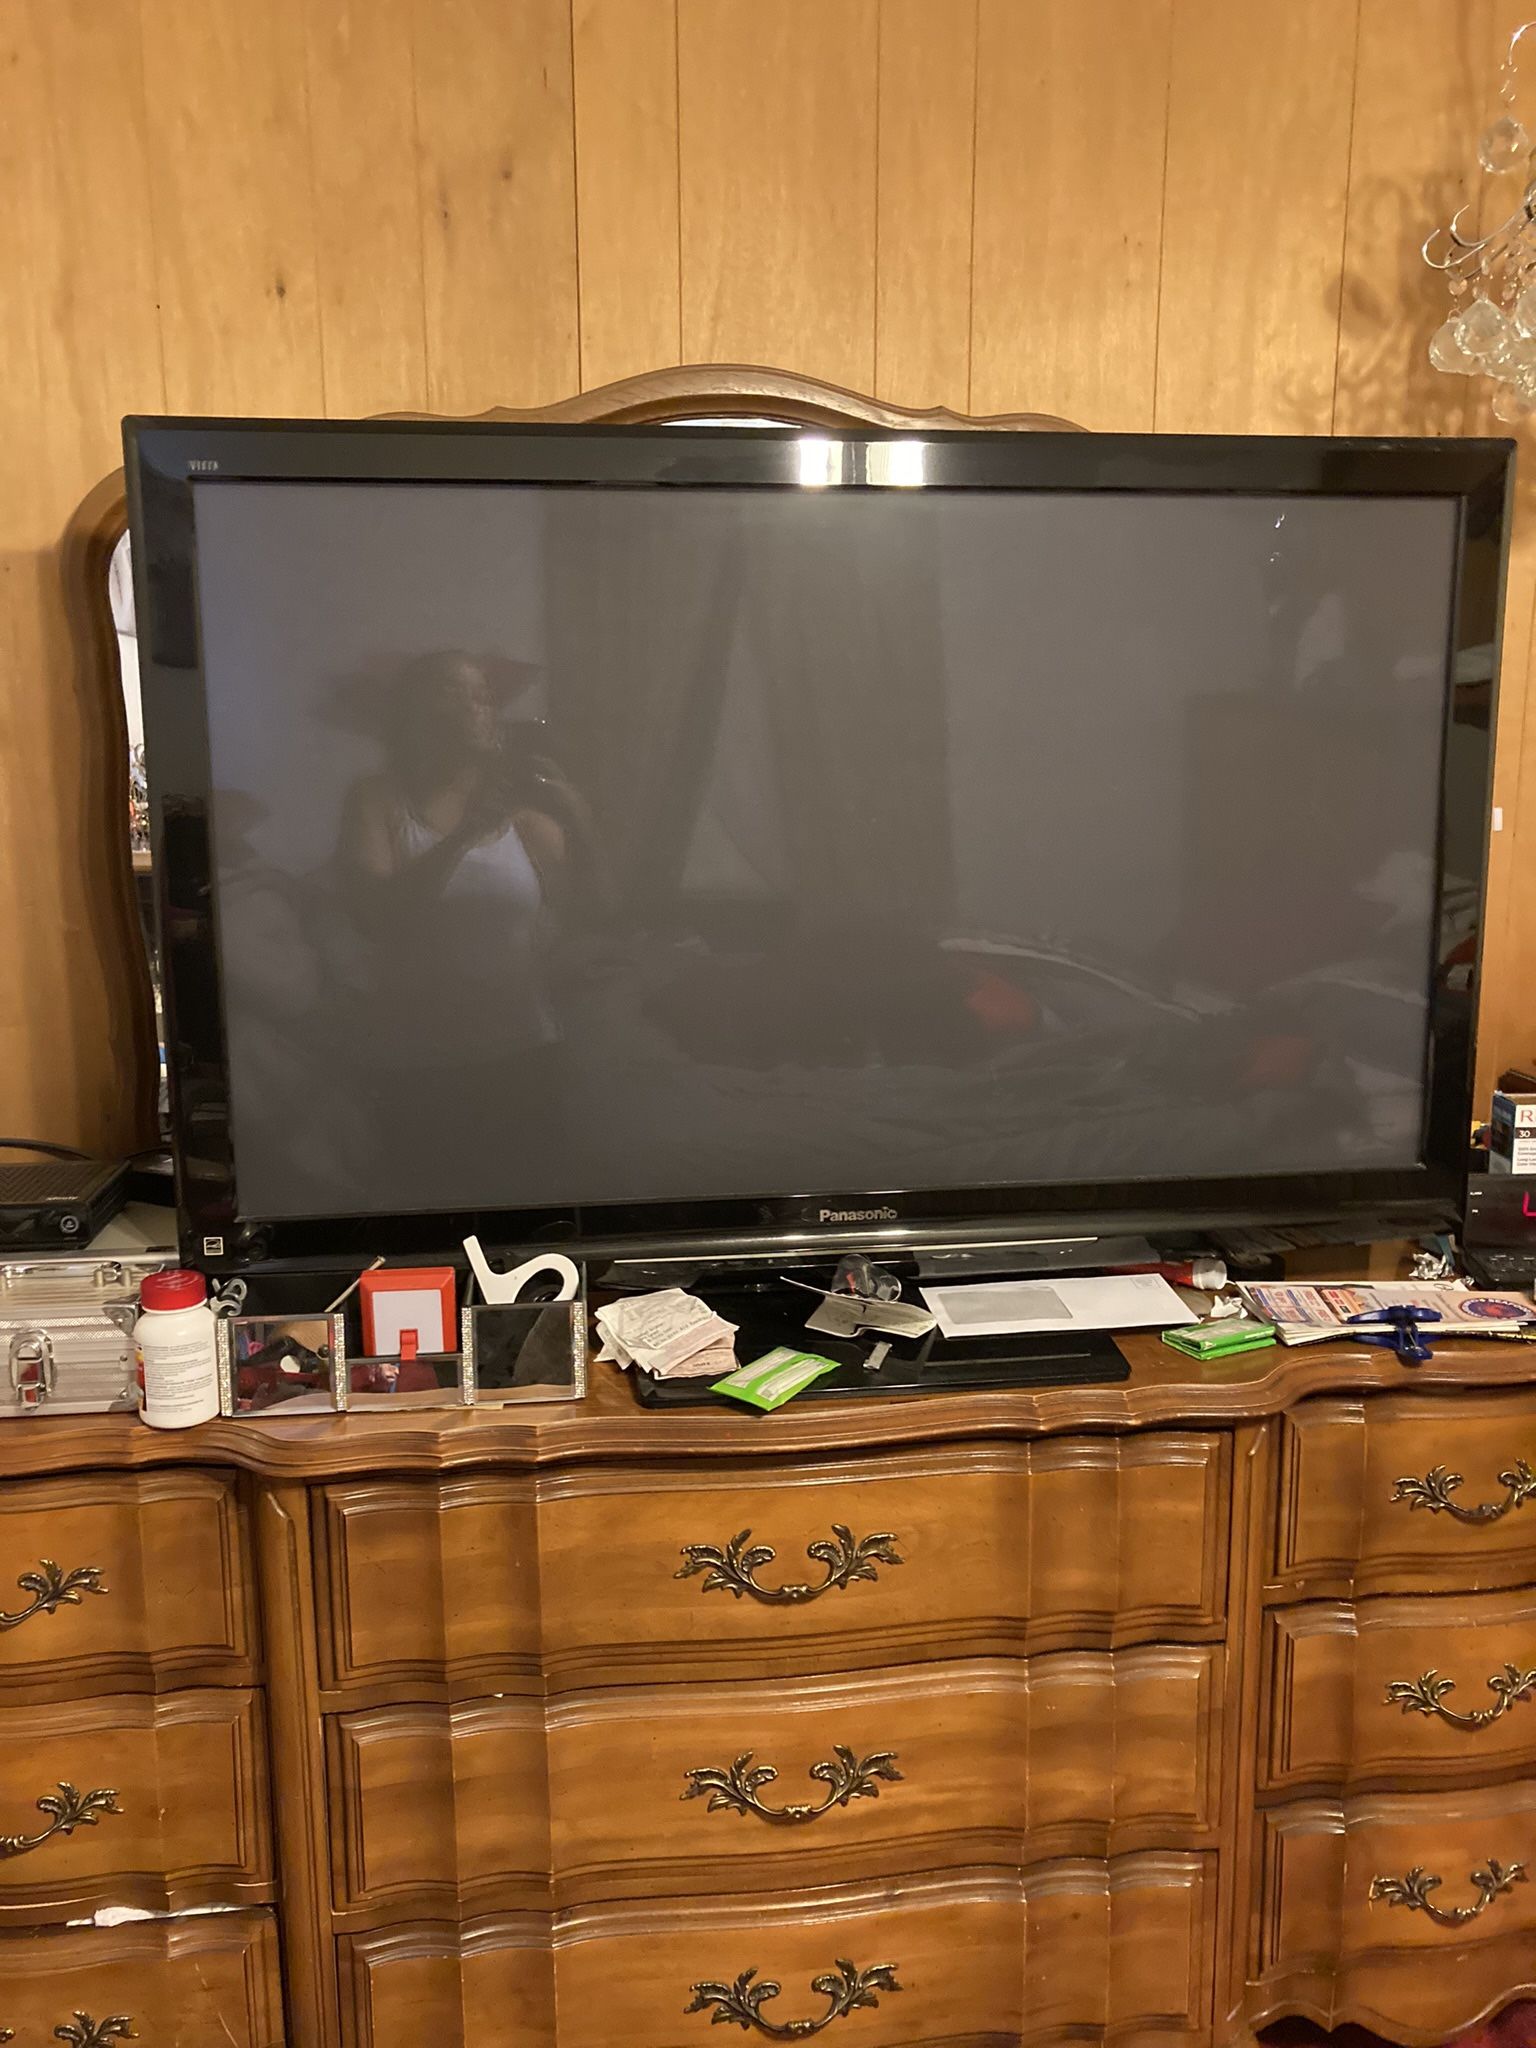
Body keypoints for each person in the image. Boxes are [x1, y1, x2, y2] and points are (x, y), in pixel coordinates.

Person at [334, 651, 576, 1206]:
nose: (478, 706)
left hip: (524, 1055)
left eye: (484, 695)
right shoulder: (378, 799)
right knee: (425, 1224)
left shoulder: (527, 816)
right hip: (417, 1065)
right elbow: (377, 917)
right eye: (456, 692)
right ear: (416, 713)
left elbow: (590, 916)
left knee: (535, 1231)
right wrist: (466, 833)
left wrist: (574, 811)